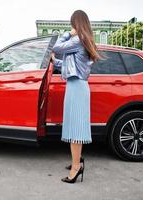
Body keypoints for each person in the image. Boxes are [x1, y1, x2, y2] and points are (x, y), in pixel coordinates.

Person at [51, 10, 100, 183]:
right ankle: (77, 160)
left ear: (77, 23)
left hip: (77, 87)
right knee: (73, 126)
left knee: (76, 129)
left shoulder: (78, 39)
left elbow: (56, 48)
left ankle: (76, 168)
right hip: (74, 86)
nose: (71, 27)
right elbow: (70, 63)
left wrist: (66, 34)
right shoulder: (81, 41)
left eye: (72, 23)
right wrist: (54, 62)